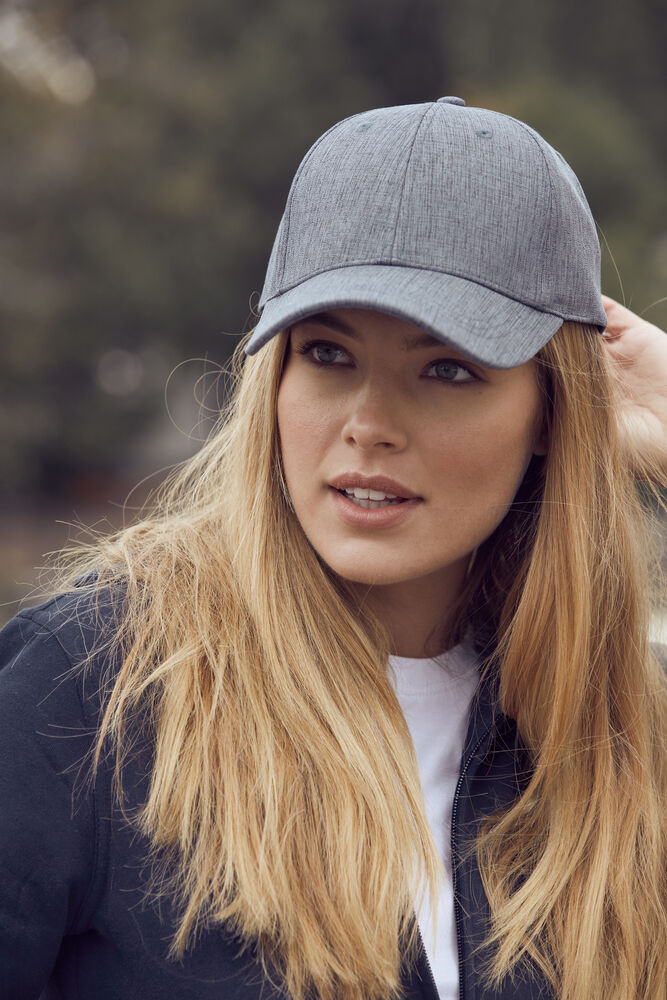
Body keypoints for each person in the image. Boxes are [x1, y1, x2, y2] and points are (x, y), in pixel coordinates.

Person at [0, 97, 665, 1000]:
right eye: (326, 353)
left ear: (553, 410)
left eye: (446, 369)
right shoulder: (91, 690)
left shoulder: (623, 727)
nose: (367, 423)